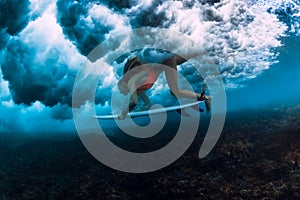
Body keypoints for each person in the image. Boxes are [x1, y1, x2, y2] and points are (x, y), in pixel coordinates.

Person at [117, 54, 211, 119]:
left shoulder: (131, 82)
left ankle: (206, 98)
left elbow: (134, 101)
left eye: (120, 88)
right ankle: (204, 98)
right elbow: (146, 104)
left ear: (123, 83)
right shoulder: (138, 90)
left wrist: (122, 114)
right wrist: (137, 112)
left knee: (175, 92)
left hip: (167, 61)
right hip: (166, 63)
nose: (121, 92)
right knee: (175, 92)